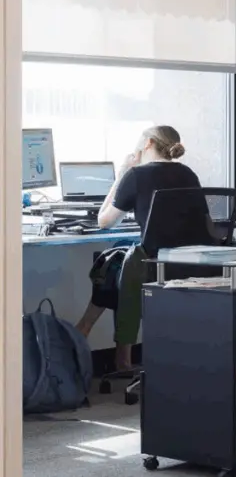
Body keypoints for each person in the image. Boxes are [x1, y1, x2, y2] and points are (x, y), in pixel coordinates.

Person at [77, 125, 202, 370]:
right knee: (121, 252)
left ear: (147, 144)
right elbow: (205, 224)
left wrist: (123, 173)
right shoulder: (189, 174)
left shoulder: (136, 175)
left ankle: (105, 344)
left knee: (112, 262)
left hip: (153, 265)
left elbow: (104, 221)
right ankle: (105, 344)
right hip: (189, 262)